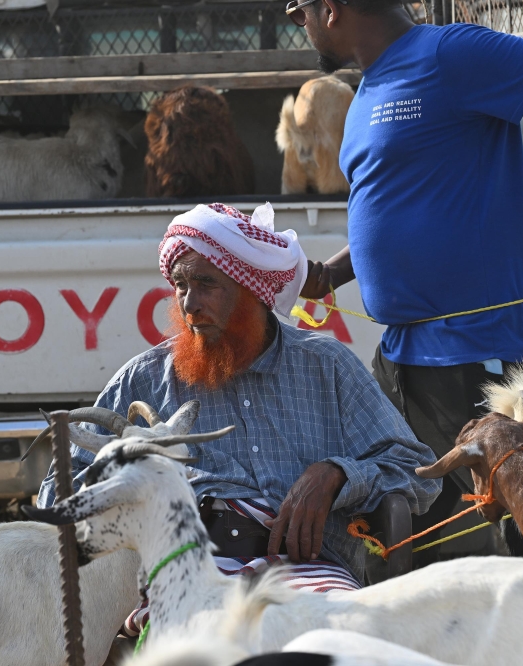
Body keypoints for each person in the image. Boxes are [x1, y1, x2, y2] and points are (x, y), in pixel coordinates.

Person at [290, 0, 523, 562]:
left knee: (492, 546)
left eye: (297, 12)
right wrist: (333, 273)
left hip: (476, 352)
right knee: (407, 530)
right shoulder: (367, 91)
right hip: (403, 356)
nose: (298, 24)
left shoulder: (448, 52)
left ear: (330, 9)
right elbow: (397, 200)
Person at [38, 202, 439, 632]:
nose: (189, 304)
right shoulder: (145, 378)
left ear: (252, 290)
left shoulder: (327, 365)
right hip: (185, 572)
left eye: (206, 284)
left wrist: (337, 475)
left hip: (310, 573)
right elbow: (56, 496)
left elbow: (418, 473)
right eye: (180, 285)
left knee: (345, 640)